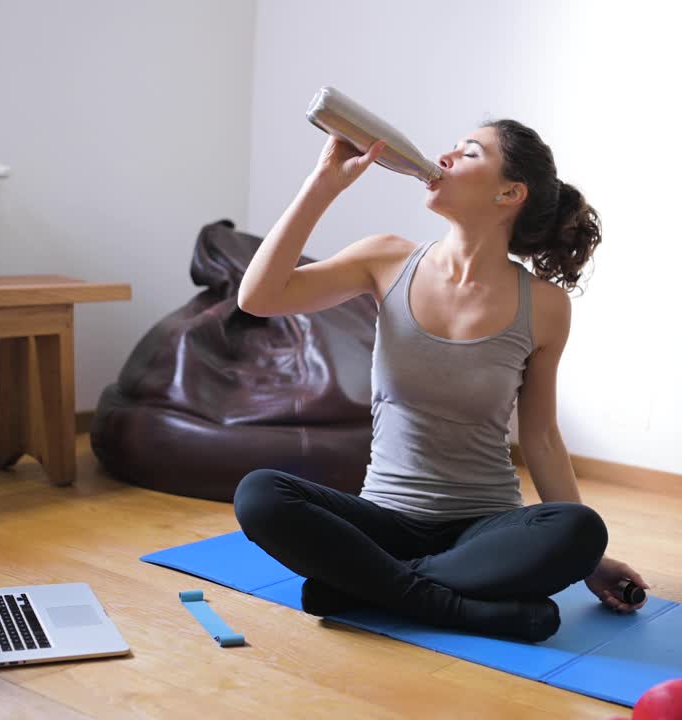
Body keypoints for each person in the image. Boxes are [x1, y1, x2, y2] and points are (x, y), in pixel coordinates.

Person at [233, 120, 649, 643]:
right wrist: (324, 184)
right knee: (260, 494)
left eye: (469, 152)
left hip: (482, 530)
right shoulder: (385, 258)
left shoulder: (544, 305)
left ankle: (364, 588)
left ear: (509, 192)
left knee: (580, 530)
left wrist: (592, 561)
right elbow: (259, 297)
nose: (445, 155)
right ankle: (461, 608)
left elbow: (541, 436)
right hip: (384, 522)